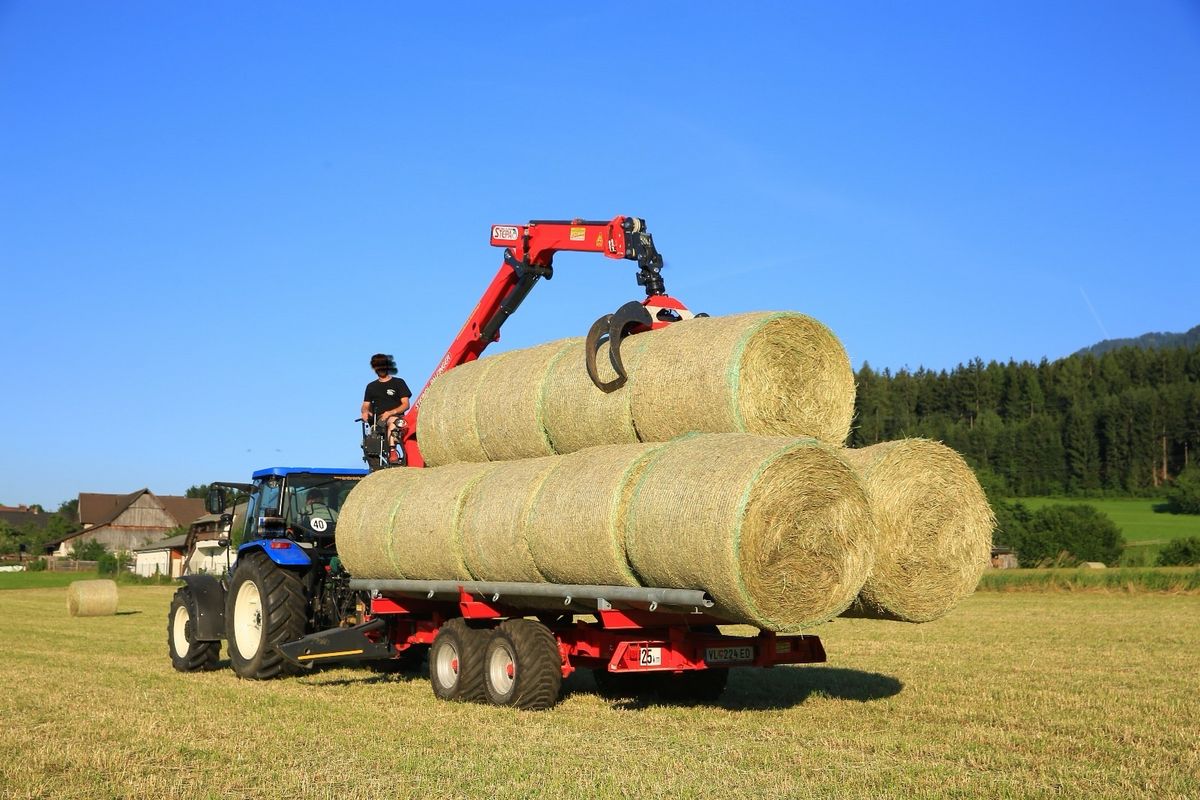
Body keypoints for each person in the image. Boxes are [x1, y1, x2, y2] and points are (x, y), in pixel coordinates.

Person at [361, 353, 411, 461]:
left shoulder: (399, 383)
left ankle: (393, 451)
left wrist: (391, 412)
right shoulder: (371, 387)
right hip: (378, 420)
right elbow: (365, 405)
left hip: (397, 418)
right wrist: (365, 412)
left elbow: (406, 404)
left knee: (393, 421)